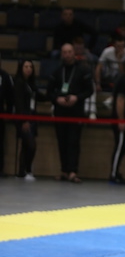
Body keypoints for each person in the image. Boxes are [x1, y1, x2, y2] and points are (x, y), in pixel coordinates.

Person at [47, 43, 94, 184]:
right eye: (64, 52)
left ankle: (73, 171)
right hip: (60, 110)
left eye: (69, 52)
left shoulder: (83, 70)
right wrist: (57, 99)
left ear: (74, 53)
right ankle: (64, 170)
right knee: (62, 141)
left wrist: (77, 97)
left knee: (73, 141)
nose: (67, 55)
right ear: (61, 54)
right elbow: (49, 91)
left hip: (76, 110)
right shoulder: (57, 71)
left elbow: (89, 90)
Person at [14, 60, 45, 180]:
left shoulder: (31, 84)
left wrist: (53, 96)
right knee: (31, 145)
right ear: (21, 68)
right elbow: (19, 103)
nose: (28, 69)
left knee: (26, 146)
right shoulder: (19, 83)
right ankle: (27, 170)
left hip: (32, 116)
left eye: (30, 67)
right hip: (24, 118)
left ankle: (22, 172)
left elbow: (39, 96)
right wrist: (24, 120)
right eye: (26, 66)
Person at [0, 54, 14, 177]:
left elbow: (10, 97)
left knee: (0, 142)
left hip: (0, 114)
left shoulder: (5, 76)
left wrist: (8, 113)